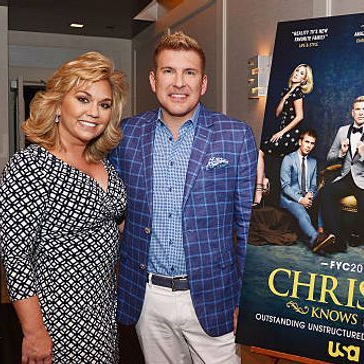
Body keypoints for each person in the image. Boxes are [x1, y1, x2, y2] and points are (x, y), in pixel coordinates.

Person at [109, 31, 256, 363]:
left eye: (189, 73)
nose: (179, 83)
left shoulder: (235, 136)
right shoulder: (125, 135)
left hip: (214, 296)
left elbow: (247, 226)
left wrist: (248, 301)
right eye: (168, 71)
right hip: (147, 297)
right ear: (153, 79)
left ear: (203, 83)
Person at [0, 51, 128, 363]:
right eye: (83, 99)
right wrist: (34, 332)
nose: (94, 112)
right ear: (57, 103)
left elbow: (112, 222)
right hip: (56, 320)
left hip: (102, 312)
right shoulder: (29, 167)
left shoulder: (103, 164)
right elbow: (17, 261)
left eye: (104, 104)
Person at [321, 96, 364, 246]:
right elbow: (329, 157)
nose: (361, 113)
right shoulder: (342, 131)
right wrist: (341, 152)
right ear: (352, 112)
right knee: (325, 192)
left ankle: (357, 235)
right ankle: (336, 237)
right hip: (346, 177)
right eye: (357, 109)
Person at [255, 64, 314, 205]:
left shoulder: (298, 93)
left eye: (301, 73)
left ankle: (260, 188)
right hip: (283, 131)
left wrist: (281, 132)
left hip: (291, 135)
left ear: (304, 79)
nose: (297, 74)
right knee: (262, 153)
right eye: (296, 71)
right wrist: (286, 95)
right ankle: (264, 181)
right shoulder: (287, 91)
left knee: (260, 151)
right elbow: (277, 113)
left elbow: (300, 116)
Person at [279, 130, 335, 252]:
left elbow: (313, 185)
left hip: (306, 196)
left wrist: (311, 194)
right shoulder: (288, 159)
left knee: (324, 194)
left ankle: (321, 231)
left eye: (312, 143)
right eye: (307, 142)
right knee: (301, 212)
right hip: (291, 199)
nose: (309, 146)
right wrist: (301, 200)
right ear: (300, 142)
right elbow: (285, 187)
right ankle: (316, 239)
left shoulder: (313, 162)